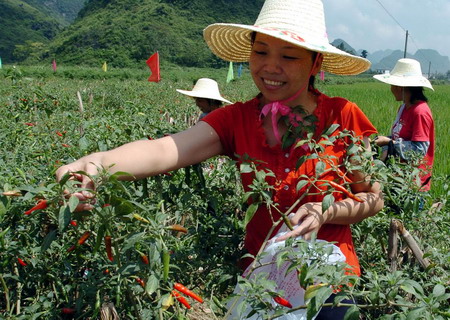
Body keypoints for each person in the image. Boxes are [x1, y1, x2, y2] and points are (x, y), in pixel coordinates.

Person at [56, 0, 383, 318]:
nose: (270, 66)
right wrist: (96, 165)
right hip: (264, 283)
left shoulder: (343, 116)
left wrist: (326, 210)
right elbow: (164, 149)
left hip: (329, 281)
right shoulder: (236, 120)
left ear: (315, 63)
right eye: (260, 51)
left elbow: (373, 198)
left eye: (288, 55)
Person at [373, 58, 435, 190]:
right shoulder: (403, 108)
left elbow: (419, 151)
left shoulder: (420, 112)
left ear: (400, 87)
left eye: (392, 85)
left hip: (413, 184)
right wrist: (386, 144)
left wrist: (389, 143)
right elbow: (397, 137)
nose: (391, 89)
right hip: (398, 177)